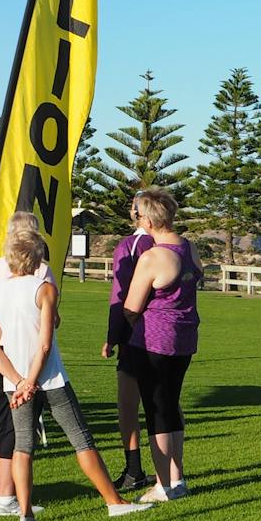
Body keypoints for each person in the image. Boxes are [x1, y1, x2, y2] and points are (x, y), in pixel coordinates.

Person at [0, 232, 155, 521]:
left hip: (16, 384)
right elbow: (45, 344)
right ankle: (114, 502)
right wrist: (32, 381)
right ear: (37, 258)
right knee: (81, 440)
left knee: (22, 446)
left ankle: (24, 512)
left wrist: (18, 380)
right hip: (50, 379)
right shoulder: (45, 289)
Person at [113, 187, 202, 501]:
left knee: (156, 410)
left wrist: (123, 332)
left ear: (148, 220)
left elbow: (131, 306)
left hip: (154, 341)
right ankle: (177, 478)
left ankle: (163, 484)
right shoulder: (189, 248)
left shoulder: (153, 256)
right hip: (185, 337)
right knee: (170, 405)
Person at [0, 212, 53, 516]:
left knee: (0, 422)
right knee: (16, 428)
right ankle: (5, 497)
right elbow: (50, 319)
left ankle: (2, 493)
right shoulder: (40, 271)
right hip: (21, 354)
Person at [102, 200, 155, 493]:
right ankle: (173, 471)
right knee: (165, 403)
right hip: (169, 334)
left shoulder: (131, 246)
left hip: (137, 334)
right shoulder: (177, 245)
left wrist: (113, 336)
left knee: (128, 404)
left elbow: (120, 294)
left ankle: (134, 469)